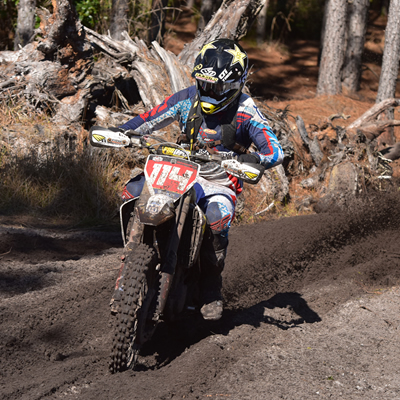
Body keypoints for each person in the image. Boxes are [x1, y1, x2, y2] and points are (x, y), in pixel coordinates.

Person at [117, 38, 284, 321]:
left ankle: (210, 288)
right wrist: (122, 132)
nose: (210, 91)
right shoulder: (187, 98)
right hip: (178, 169)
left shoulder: (245, 109)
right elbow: (149, 118)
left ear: (235, 85)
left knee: (217, 218)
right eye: (205, 84)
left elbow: (275, 150)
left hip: (219, 180)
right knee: (130, 192)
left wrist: (253, 159)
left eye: (218, 87)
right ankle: (133, 255)